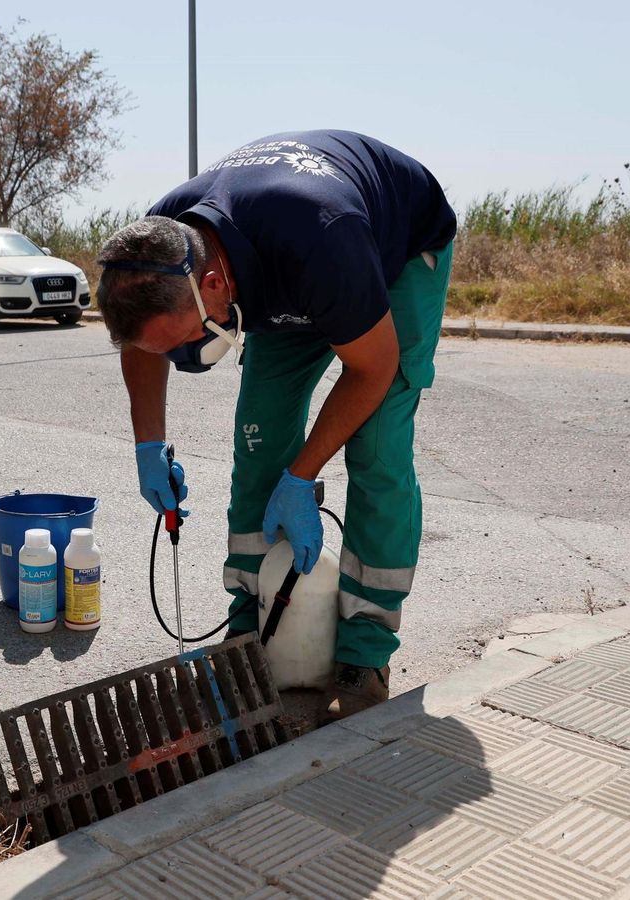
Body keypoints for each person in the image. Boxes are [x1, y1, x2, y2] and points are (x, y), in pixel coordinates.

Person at [97, 130, 456, 719]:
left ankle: (364, 652)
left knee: (376, 446)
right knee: (259, 437)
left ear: (213, 285)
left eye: (189, 339)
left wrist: (304, 474)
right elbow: (142, 343)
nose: (188, 355)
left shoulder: (323, 236)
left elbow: (373, 368)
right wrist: (149, 444)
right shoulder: (158, 248)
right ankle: (251, 627)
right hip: (280, 272)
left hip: (392, 251)